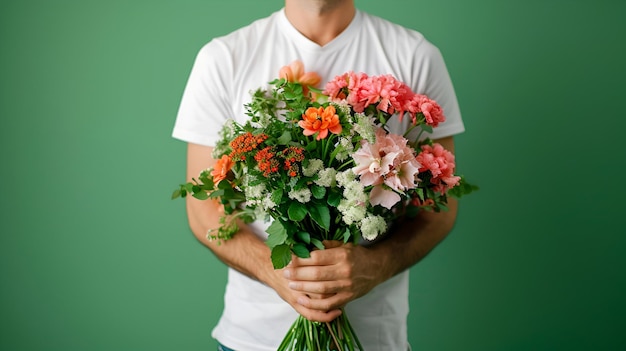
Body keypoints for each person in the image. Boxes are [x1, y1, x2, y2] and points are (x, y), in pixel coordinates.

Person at [172, 0, 465, 349]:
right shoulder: (223, 57)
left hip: (373, 340)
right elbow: (202, 208)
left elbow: (439, 205)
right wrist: (275, 272)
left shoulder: (415, 55)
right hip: (253, 340)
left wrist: (377, 265)